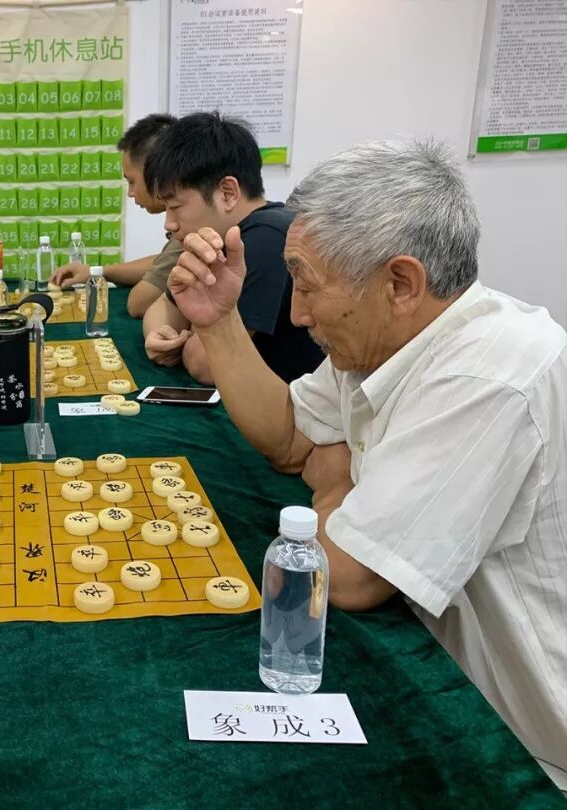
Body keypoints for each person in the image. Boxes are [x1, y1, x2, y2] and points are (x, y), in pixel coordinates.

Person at [169, 139, 567, 790]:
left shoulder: (490, 375)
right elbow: (291, 437)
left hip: (526, 742)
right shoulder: (388, 336)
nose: (297, 312)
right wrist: (217, 323)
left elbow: (349, 575)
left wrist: (336, 480)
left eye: (306, 282)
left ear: (400, 283)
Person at [142, 112, 322, 383]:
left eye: (176, 206)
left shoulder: (268, 239)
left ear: (227, 192)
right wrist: (158, 336)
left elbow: (204, 365)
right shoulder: (217, 239)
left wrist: (186, 343)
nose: (169, 224)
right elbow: (161, 306)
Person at [50, 113, 177, 318]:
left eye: (132, 181)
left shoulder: (194, 223)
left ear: (156, 173)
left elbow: (138, 304)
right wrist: (97, 271)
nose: (130, 193)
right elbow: (163, 263)